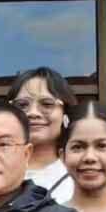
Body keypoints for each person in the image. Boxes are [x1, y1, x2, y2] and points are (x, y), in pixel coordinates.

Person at [10, 66, 77, 204]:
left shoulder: (80, 173)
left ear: (65, 113)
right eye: (22, 105)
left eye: (46, 104)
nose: (33, 113)